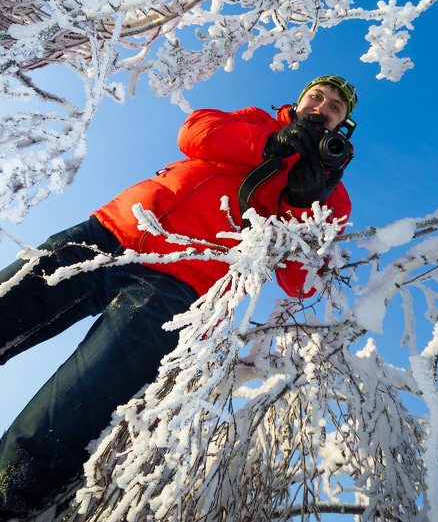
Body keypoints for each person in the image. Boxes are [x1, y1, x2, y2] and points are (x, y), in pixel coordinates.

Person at [0, 75, 357, 519]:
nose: (323, 107)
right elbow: (195, 133)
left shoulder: (333, 193)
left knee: (79, 404)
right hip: (112, 231)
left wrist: (306, 203)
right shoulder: (257, 122)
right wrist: (269, 145)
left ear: (344, 125)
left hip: (179, 286)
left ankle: (9, 502)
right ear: (300, 101)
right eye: (317, 96)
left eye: (336, 107)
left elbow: (300, 282)